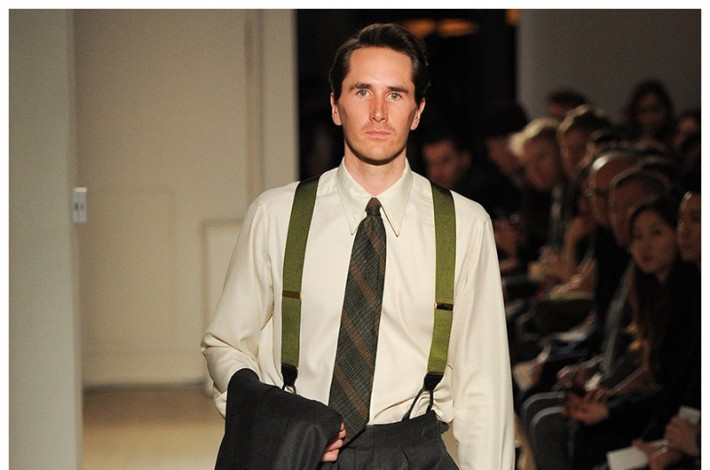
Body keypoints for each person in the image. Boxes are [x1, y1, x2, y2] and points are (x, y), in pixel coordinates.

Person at [202, 23, 514, 469]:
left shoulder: (465, 224)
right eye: (362, 91)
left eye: (395, 94)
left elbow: (484, 388)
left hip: (413, 453)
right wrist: (277, 422)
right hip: (306, 451)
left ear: (417, 112)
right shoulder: (276, 215)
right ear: (335, 105)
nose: (379, 112)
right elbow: (226, 344)